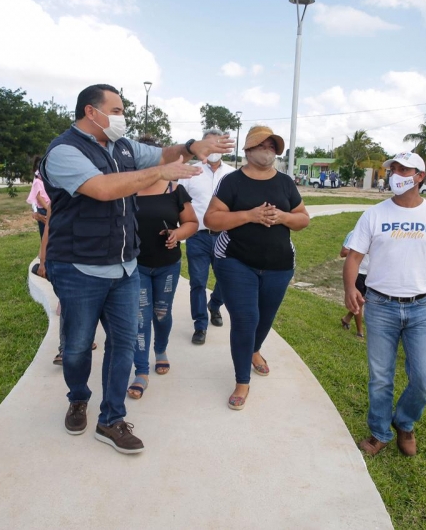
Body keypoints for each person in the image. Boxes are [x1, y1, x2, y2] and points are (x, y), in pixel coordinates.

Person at [40, 84, 233, 454]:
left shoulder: (124, 146)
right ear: (90, 112)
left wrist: (194, 147)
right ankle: (78, 397)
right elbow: (103, 188)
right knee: (78, 346)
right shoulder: (64, 151)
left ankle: (111, 418)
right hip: (79, 268)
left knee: (124, 343)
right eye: (115, 109)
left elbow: (164, 152)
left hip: (126, 267)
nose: (121, 116)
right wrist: (160, 171)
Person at [344, 151, 426, 457]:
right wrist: (349, 289)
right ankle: (379, 432)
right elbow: (353, 257)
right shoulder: (374, 215)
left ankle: (404, 422)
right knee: (380, 377)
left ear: (420, 176)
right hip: (380, 306)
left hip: (423, 308)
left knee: (425, 379)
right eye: (393, 168)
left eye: (403, 168)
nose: (395, 173)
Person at [205, 125, 309, 410]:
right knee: (245, 320)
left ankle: (254, 350)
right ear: (248, 150)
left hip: (279, 264)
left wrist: (284, 217)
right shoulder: (232, 181)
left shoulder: (286, 183)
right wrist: (249, 215)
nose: (268, 150)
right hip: (236, 261)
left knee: (265, 319)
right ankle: (242, 381)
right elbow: (212, 219)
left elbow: (303, 219)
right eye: (262, 145)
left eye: (272, 146)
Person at [127, 174, 198, 399]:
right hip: (136, 265)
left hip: (167, 265)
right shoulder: (126, 190)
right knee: (140, 316)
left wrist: (177, 234)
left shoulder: (174, 190)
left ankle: (160, 349)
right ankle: (141, 371)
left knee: (161, 313)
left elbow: (192, 223)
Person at [179, 128, 235, 345]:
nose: (213, 150)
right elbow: (179, 202)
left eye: (217, 145)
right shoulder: (191, 172)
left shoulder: (232, 174)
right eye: (208, 144)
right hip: (198, 236)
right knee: (198, 283)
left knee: (226, 279)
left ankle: (215, 305)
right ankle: (200, 325)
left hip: (225, 237)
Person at [340, 230, 368, 338]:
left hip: (372, 273)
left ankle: (346, 318)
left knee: (364, 300)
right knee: (359, 301)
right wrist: (362, 251)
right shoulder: (354, 233)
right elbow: (343, 252)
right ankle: (360, 333)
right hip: (359, 272)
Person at [26, 156, 50, 240]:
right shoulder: (37, 181)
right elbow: (38, 197)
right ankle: (44, 251)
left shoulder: (46, 180)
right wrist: (48, 208)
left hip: (48, 207)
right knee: (45, 234)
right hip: (44, 209)